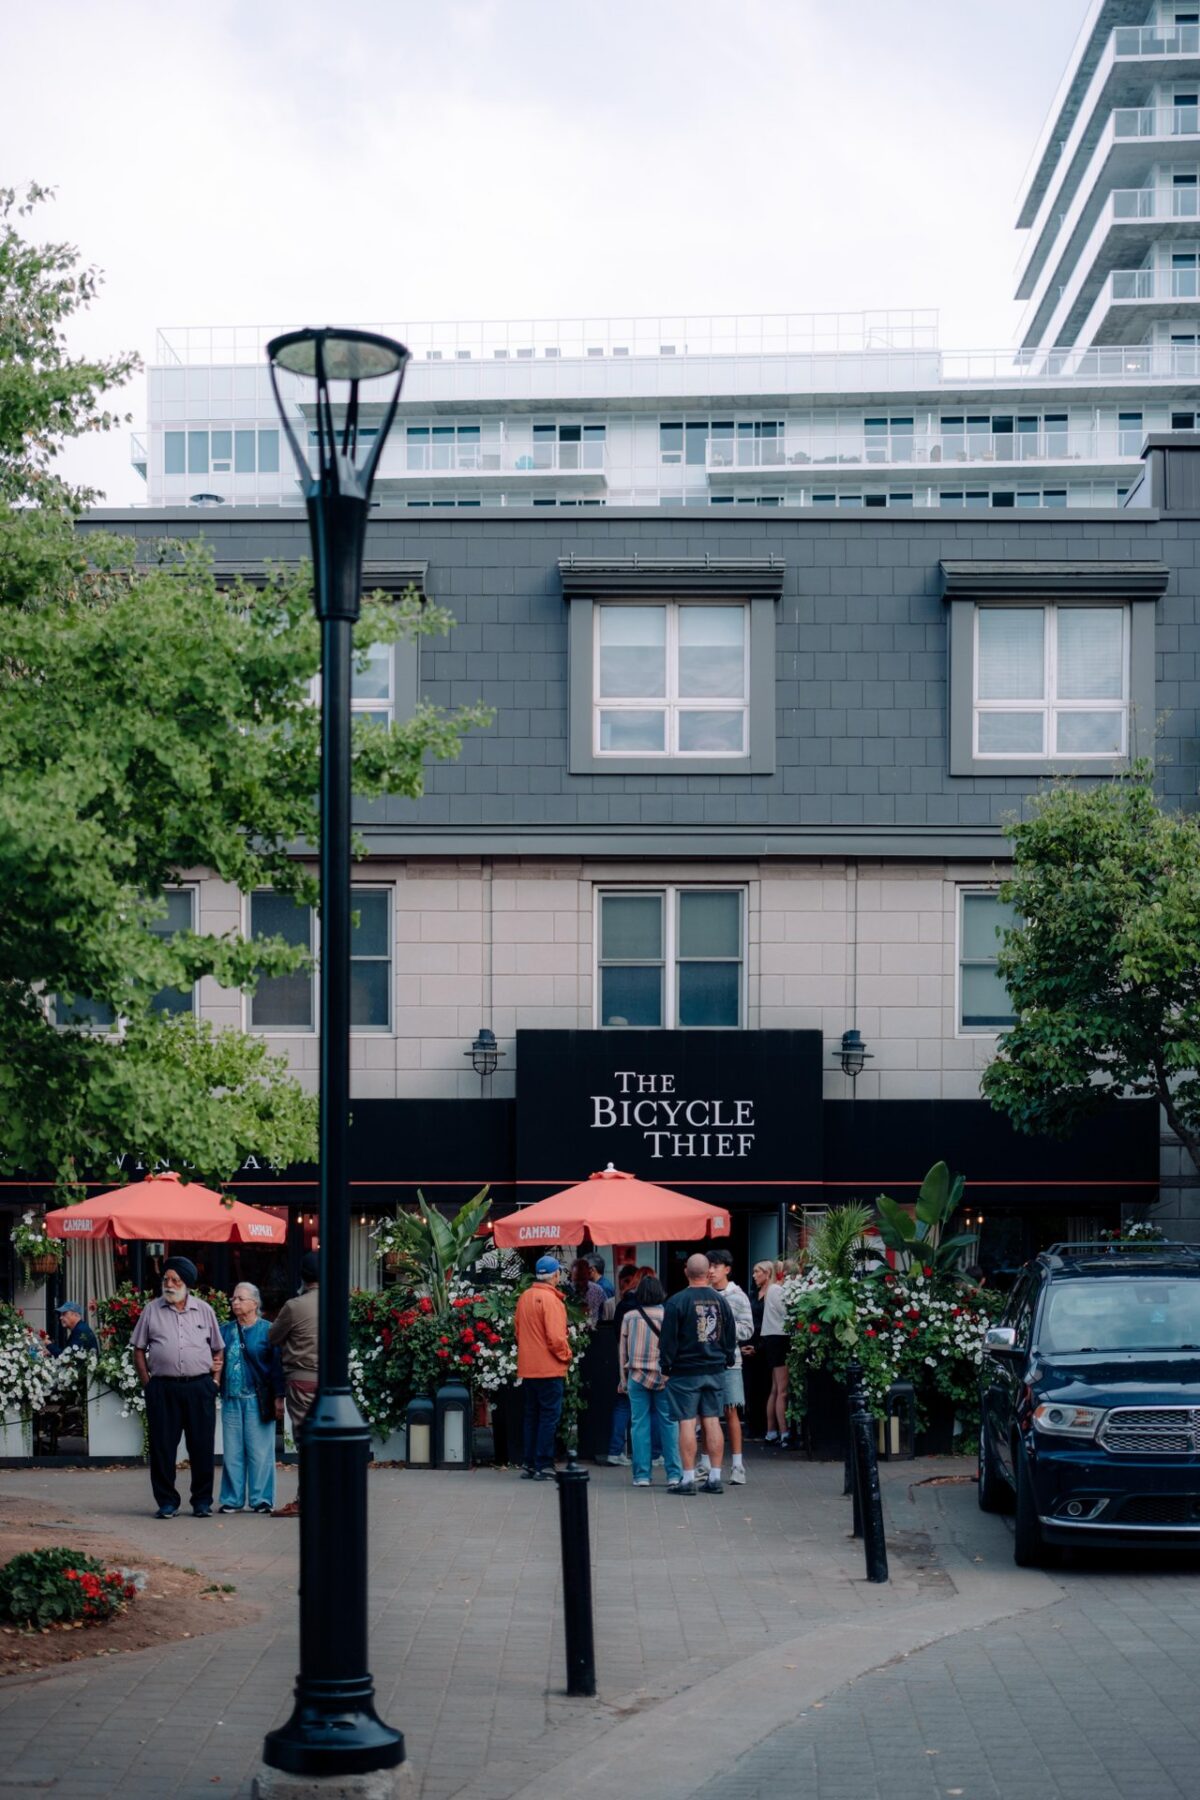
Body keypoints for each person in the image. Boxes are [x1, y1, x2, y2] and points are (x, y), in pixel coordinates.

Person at [130, 1255, 224, 1519]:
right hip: (164, 1389)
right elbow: (138, 1349)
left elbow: (218, 1348)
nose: (169, 1284)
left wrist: (215, 1382)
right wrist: (149, 1385)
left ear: (187, 1284)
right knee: (163, 1447)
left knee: (202, 1446)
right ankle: (167, 1501)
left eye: (175, 1279)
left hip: (199, 1387)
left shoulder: (204, 1310)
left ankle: (202, 1501)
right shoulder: (152, 1310)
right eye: (166, 1279)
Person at [659, 1252, 736, 1496]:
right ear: (708, 1272)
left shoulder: (676, 1302)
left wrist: (666, 1366)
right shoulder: (721, 1301)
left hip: (685, 1370)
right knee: (712, 1419)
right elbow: (729, 1333)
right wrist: (727, 1357)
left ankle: (688, 1478)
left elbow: (668, 1339)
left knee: (687, 1421)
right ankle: (715, 1477)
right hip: (714, 1368)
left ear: (686, 1271)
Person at [219, 1282, 284, 1515]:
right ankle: (232, 1499)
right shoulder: (225, 1330)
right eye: (233, 1299)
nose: (235, 1302)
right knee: (233, 1451)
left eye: (240, 1298)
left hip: (258, 1399)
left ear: (254, 1303)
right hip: (231, 1398)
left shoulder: (268, 1330)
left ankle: (262, 1499)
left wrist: (279, 1397)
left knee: (260, 1452)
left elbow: (277, 1367)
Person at [268, 1249, 320, 1516]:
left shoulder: (295, 1306)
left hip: (302, 1381)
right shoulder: (337, 1303)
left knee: (307, 1443)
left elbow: (273, 1337)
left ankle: (305, 1500)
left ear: (303, 1277)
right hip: (332, 1384)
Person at [618, 1275, 682, 1490]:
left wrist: (622, 1378)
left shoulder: (629, 1317)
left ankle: (642, 1475)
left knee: (639, 1425)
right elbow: (675, 1346)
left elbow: (622, 1351)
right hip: (664, 1377)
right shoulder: (668, 1315)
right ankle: (674, 1474)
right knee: (669, 1424)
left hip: (636, 1375)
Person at [513, 1254, 571, 1479]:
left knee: (532, 1416)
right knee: (548, 1416)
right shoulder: (552, 1300)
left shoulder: (525, 1297)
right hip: (549, 1368)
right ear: (555, 1274)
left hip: (528, 1367)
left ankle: (529, 1463)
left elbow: (518, 1332)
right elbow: (556, 1338)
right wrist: (566, 1355)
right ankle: (544, 1464)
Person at [703, 1248, 754, 1486]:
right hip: (705, 1360)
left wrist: (725, 1329)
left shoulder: (738, 1296)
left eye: (716, 1266)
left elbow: (748, 1329)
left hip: (730, 1360)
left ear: (727, 1269)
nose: (711, 1270)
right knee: (707, 1412)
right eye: (708, 1266)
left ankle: (737, 1464)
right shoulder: (702, 1294)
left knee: (731, 1409)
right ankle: (706, 1462)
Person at [599, 1263, 641, 1466]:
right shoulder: (646, 1306)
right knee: (649, 1408)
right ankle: (650, 1452)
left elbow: (618, 1335)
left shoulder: (622, 1305)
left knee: (623, 1404)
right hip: (645, 1363)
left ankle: (616, 1450)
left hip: (624, 1360)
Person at [757, 1258, 791, 1449]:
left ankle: (772, 1431)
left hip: (773, 1339)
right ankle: (783, 1432)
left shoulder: (771, 1290)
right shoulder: (778, 1290)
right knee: (782, 1390)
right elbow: (786, 1313)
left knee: (775, 1388)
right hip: (779, 1338)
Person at [569, 1258, 606, 1327]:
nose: (580, 1283)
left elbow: (605, 1314)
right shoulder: (565, 1292)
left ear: (589, 1275)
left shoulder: (598, 1290)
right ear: (571, 1277)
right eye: (576, 1280)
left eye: (583, 1279)